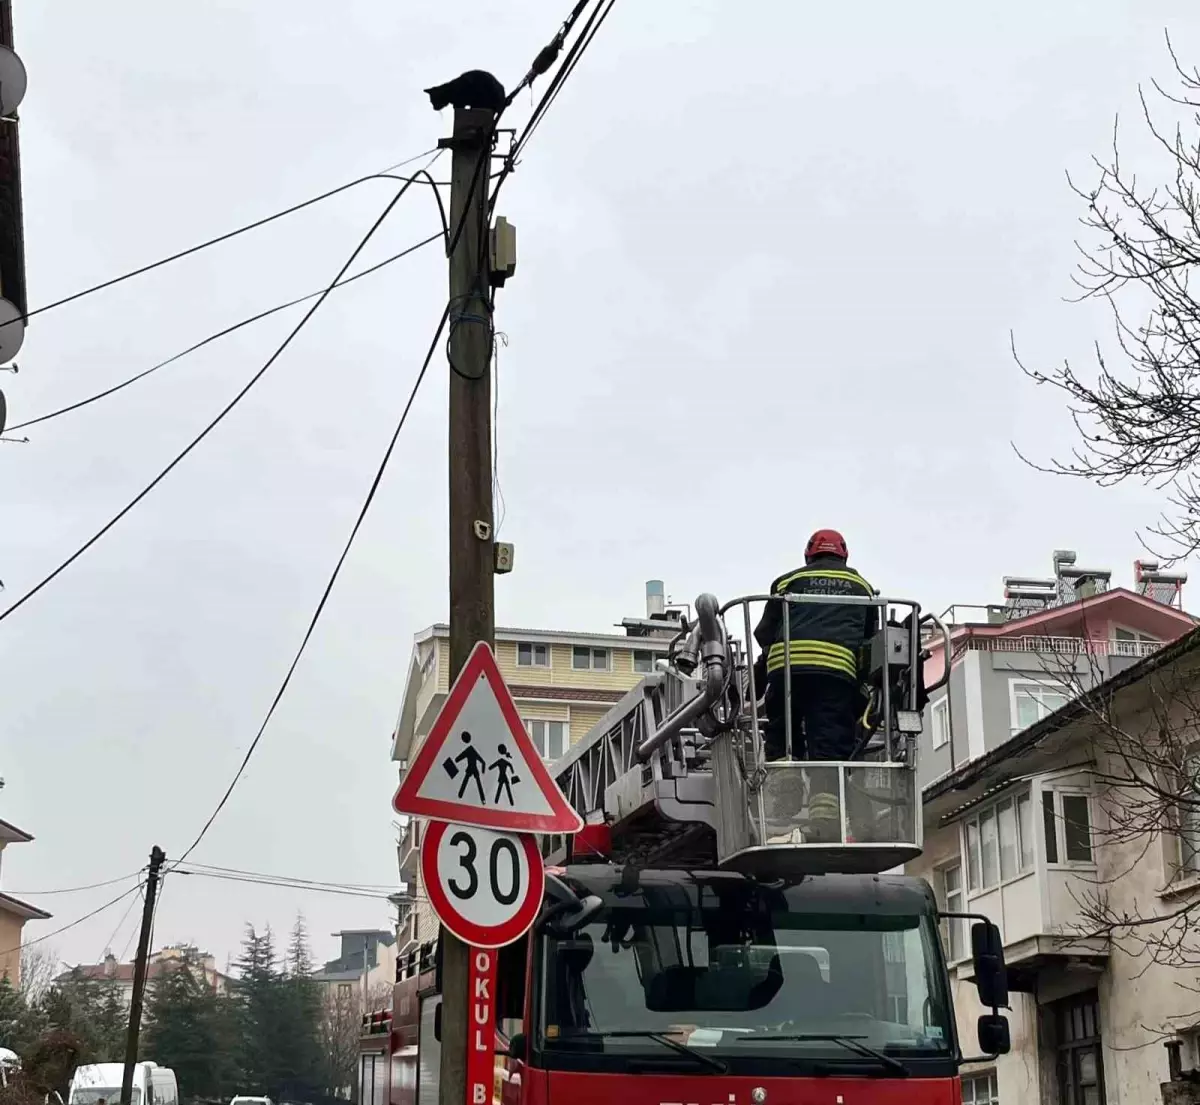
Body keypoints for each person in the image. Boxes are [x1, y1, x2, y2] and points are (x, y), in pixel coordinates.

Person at [752, 529, 877, 763]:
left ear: (808, 555)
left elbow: (764, 633)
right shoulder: (863, 587)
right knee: (830, 744)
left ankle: (783, 789)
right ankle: (827, 796)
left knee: (783, 734)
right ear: (844, 555)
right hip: (834, 675)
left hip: (785, 670)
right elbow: (869, 640)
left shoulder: (787, 581)